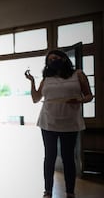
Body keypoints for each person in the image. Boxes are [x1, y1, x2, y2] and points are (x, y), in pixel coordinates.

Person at [25, 49, 93, 198]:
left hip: (70, 122)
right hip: (48, 121)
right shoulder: (47, 78)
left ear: (63, 59)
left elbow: (89, 95)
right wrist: (32, 82)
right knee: (49, 156)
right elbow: (36, 98)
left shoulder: (78, 74)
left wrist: (79, 100)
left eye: (55, 58)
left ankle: (70, 192)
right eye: (49, 60)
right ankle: (48, 191)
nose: (53, 61)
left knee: (68, 158)